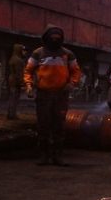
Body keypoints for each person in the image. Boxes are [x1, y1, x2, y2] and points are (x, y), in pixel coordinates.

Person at [24, 25, 81, 166]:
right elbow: (28, 71)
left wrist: (72, 84)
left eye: (58, 37)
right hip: (43, 94)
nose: (55, 40)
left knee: (59, 126)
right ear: (46, 38)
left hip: (61, 94)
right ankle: (44, 155)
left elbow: (76, 71)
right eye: (52, 37)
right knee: (43, 125)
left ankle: (57, 156)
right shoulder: (38, 53)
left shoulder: (68, 54)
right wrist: (29, 85)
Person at [6, 43, 27, 119]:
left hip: (12, 79)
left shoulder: (13, 58)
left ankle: (11, 114)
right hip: (15, 81)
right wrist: (22, 84)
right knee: (14, 98)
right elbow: (19, 74)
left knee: (12, 97)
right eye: (23, 50)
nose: (25, 52)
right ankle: (12, 115)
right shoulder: (19, 60)